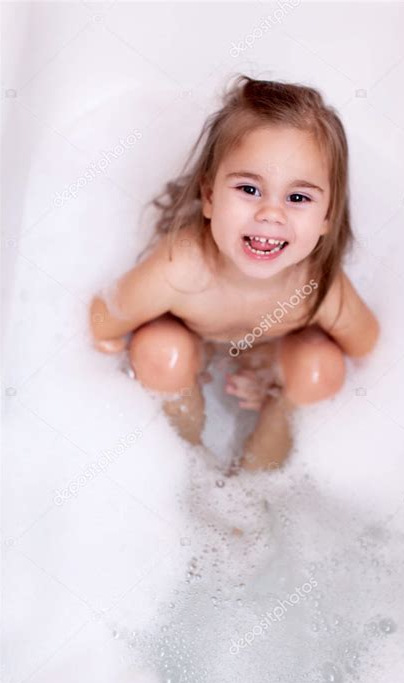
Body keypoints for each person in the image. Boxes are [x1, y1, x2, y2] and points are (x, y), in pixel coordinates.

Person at [89, 76, 379, 472]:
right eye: (249, 189)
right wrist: (164, 365)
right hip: (193, 346)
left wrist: (276, 371)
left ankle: (255, 485)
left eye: (298, 198)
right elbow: (103, 322)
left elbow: (368, 348)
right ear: (209, 197)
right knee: (160, 350)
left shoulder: (315, 287)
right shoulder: (182, 267)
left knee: (320, 366)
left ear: (327, 216)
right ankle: (186, 468)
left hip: (273, 355)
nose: (271, 213)